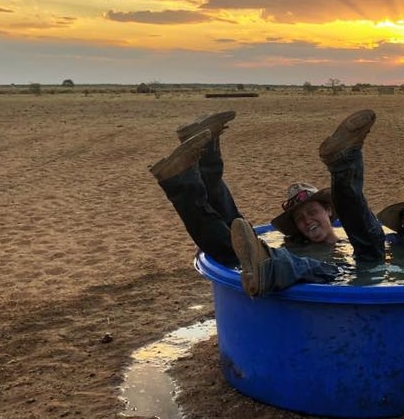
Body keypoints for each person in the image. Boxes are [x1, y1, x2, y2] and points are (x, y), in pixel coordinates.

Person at [150, 108, 383, 297]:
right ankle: (191, 168)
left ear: (329, 211)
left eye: (312, 211)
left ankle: (188, 172)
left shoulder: (346, 243)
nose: (307, 221)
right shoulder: (292, 248)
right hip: (311, 273)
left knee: (371, 250)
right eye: (300, 219)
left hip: (319, 266)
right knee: (248, 243)